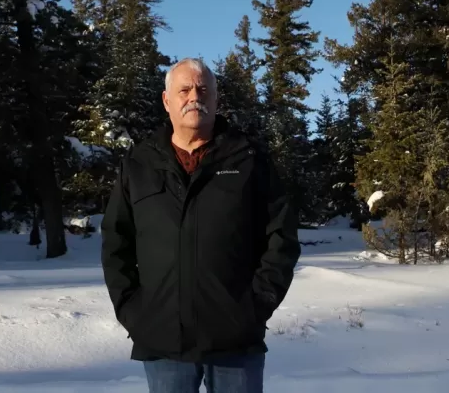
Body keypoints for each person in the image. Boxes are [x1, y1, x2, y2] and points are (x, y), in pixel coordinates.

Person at [101, 57, 301, 393]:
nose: (194, 96)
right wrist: (132, 311)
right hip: (163, 340)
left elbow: (281, 235)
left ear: (215, 100)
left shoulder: (248, 160)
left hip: (235, 340)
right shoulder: (138, 165)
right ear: (167, 101)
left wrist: (257, 305)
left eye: (203, 89)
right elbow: (115, 242)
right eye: (184, 90)